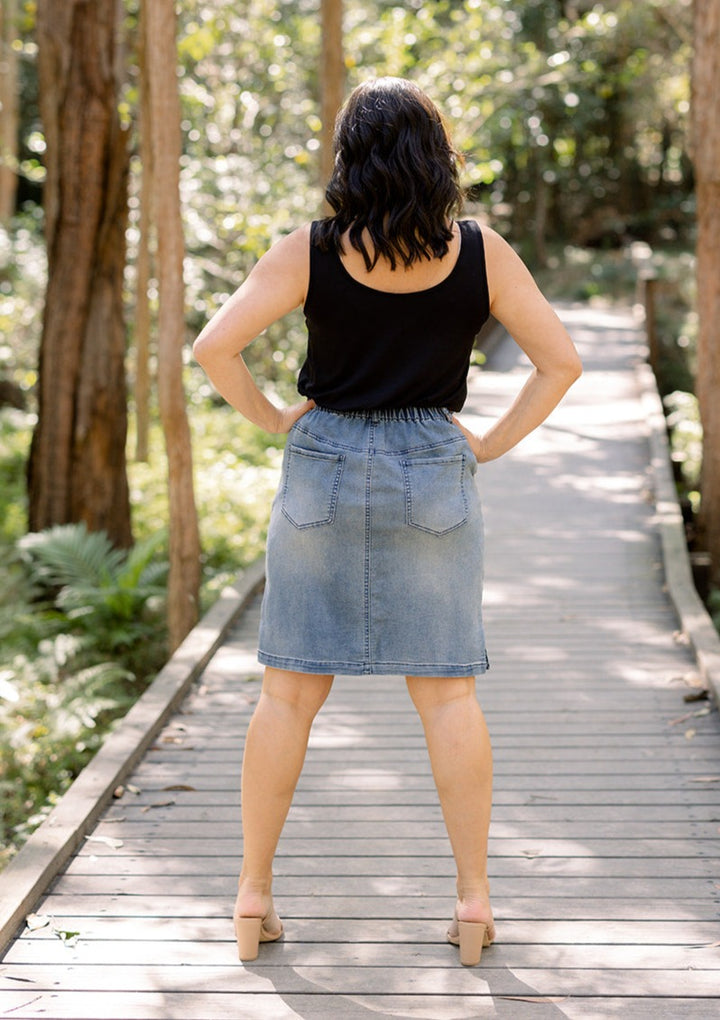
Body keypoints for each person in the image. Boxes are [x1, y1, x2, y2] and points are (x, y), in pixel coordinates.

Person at [193, 76, 582, 967]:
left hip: (322, 463)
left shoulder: (309, 251)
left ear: (349, 157)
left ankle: (254, 896)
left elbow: (214, 346)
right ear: (436, 157)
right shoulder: (482, 253)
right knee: (447, 693)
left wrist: (269, 417)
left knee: (287, 693)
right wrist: (485, 445)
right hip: (432, 471)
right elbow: (559, 363)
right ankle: (475, 905)